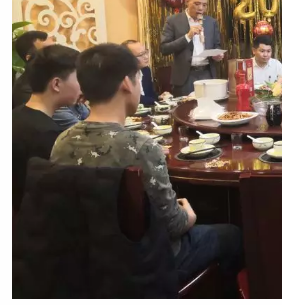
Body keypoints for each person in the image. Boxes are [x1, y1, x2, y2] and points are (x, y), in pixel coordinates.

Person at [50, 43, 243, 285]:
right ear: (126, 83)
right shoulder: (142, 147)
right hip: (146, 264)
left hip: (88, 263)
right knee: (232, 234)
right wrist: (189, 215)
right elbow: (174, 226)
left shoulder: (62, 141)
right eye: (138, 78)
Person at [12, 45, 80, 211]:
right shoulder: (47, 134)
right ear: (56, 84)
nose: (83, 85)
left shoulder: (15, 115)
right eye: (79, 78)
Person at [13, 31, 89, 129]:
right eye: (48, 49)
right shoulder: (28, 91)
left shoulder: (66, 80)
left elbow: (87, 117)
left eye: (55, 47)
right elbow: (84, 131)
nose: (56, 52)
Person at [160, 0, 224, 97]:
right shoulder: (173, 21)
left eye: (204, 5)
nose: (201, 8)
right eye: (197, 4)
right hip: (185, 77)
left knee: (210, 105)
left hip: (207, 74)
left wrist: (217, 55)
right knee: (187, 106)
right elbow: (164, 48)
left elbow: (217, 45)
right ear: (187, 2)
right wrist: (187, 36)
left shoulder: (211, 22)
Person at [12, 30, 56, 108]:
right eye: (47, 50)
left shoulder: (59, 75)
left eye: (55, 48)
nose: (57, 54)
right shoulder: (26, 90)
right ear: (30, 58)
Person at [123, 40, 158, 105]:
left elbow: (150, 94)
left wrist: (160, 97)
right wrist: (154, 101)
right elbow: (133, 97)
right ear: (128, 58)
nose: (146, 57)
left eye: (145, 52)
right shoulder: (123, 75)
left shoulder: (146, 70)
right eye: (140, 54)